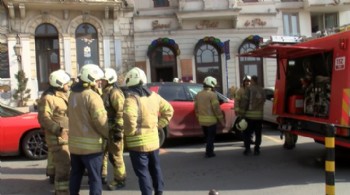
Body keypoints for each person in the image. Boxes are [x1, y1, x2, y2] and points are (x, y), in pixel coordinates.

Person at [123, 67, 174, 195]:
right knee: (155, 169)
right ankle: (159, 192)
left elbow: (129, 118)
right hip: (153, 142)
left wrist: (129, 132)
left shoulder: (131, 99)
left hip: (138, 144)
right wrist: (159, 125)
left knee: (143, 173)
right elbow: (169, 110)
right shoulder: (154, 96)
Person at [68, 64, 109, 195]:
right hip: (92, 148)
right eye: (98, 81)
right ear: (91, 80)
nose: (99, 83)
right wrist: (108, 134)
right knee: (95, 179)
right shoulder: (93, 96)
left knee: (75, 176)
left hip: (75, 147)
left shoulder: (72, 94)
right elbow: (101, 121)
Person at [37, 69, 71, 194]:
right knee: (63, 168)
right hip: (57, 138)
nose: (69, 85)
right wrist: (58, 130)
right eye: (67, 83)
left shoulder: (62, 96)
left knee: (65, 166)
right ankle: (61, 192)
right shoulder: (48, 98)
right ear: (60, 84)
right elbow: (43, 118)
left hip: (65, 138)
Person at [100, 68, 127, 190]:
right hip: (106, 130)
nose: (101, 81)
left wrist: (118, 130)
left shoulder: (115, 93)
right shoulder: (105, 91)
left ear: (109, 80)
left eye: (104, 80)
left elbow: (121, 112)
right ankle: (102, 175)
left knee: (116, 156)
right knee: (103, 154)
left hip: (114, 130)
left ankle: (120, 179)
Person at [194, 76, 225, 158]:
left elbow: (196, 108)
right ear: (212, 85)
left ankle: (208, 150)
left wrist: (198, 117)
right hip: (211, 121)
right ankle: (209, 153)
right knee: (211, 138)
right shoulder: (212, 95)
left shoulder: (198, 94)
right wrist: (221, 120)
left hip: (202, 121)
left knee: (207, 137)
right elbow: (216, 109)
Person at [240, 75, 265, 156]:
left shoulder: (249, 89)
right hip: (259, 116)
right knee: (258, 133)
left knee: (247, 133)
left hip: (249, 116)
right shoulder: (262, 90)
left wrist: (242, 113)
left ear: (252, 81)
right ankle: (257, 149)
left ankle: (247, 149)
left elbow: (244, 102)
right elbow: (263, 101)